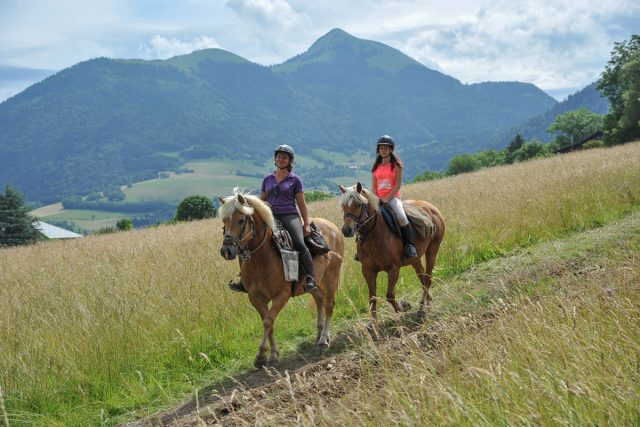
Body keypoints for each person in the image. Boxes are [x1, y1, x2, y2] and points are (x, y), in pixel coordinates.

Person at [228, 144, 318, 294]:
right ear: (275, 159)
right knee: (245, 242)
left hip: (289, 215)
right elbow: (261, 200)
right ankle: (244, 280)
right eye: (279, 156)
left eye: (284, 157)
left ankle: (309, 277)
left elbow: (302, 204)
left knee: (298, 242)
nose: (281, 159)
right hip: (270, 216)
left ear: (289, 160)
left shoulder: (295, 180)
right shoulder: (267, 179)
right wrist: (262, 205)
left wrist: (306, 223)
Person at [371, 135, 418, 258]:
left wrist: (387, 199)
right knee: (366, 217)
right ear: (378, 150)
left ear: (391, 149)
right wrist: (375, 199)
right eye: (381, 148)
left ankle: (410, 245)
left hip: (393, 198)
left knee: (401, 217)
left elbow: (397, 185)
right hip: (378, 199)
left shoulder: (397, 165)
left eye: (386, 148)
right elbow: (374, 187)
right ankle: (362, 251)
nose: (383, 150)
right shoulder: (375, 168)